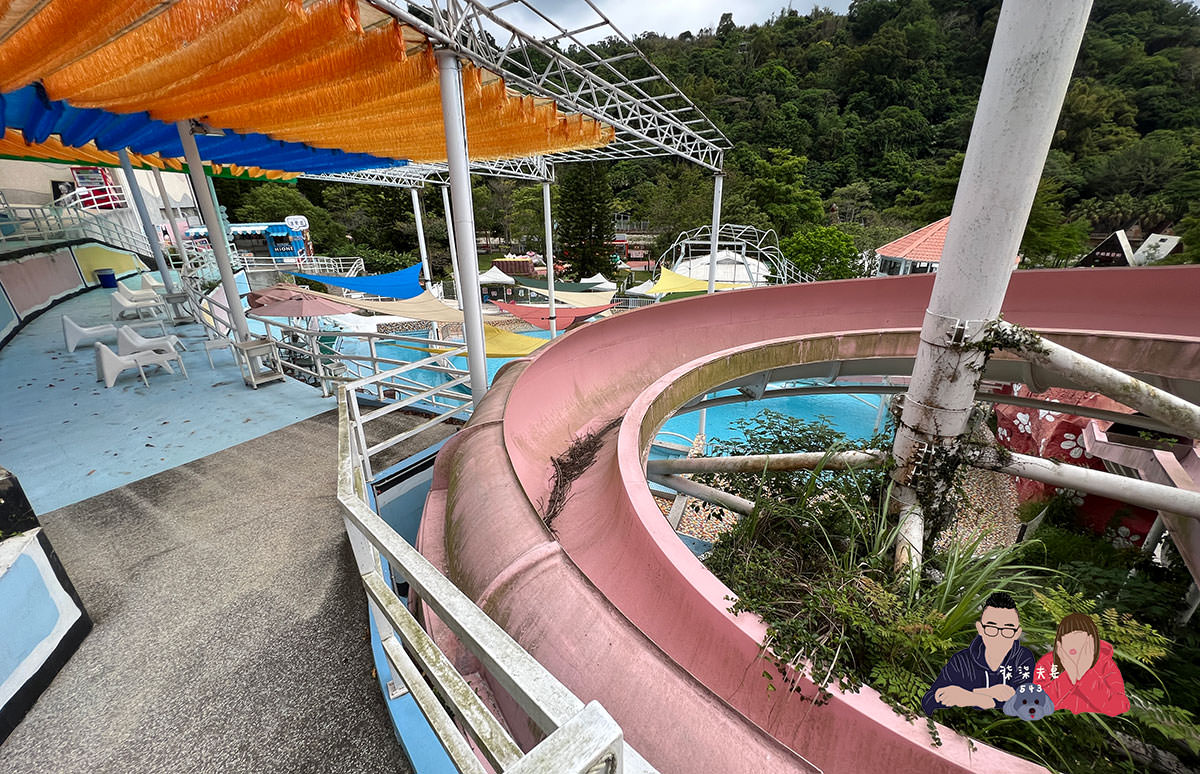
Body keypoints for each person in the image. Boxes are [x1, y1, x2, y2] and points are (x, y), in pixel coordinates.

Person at [922, 591, 1038, 715]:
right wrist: (980, 697)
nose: (999, 636)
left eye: (1008, 629)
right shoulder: (962, 661)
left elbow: (1025, 703)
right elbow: (929, 701)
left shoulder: (1023, 660)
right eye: (991, 628)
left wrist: (974, 696)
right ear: (980, 629)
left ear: (1017, 633)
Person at [1032, 613, 1129, 716]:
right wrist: (1069, 675)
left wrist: (1085, 673)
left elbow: (1118, 707)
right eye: (1066, 636)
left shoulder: (1105, 664)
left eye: (1078, 635)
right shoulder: (1047, 662)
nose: (1071, 642)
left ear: (1091, 640)